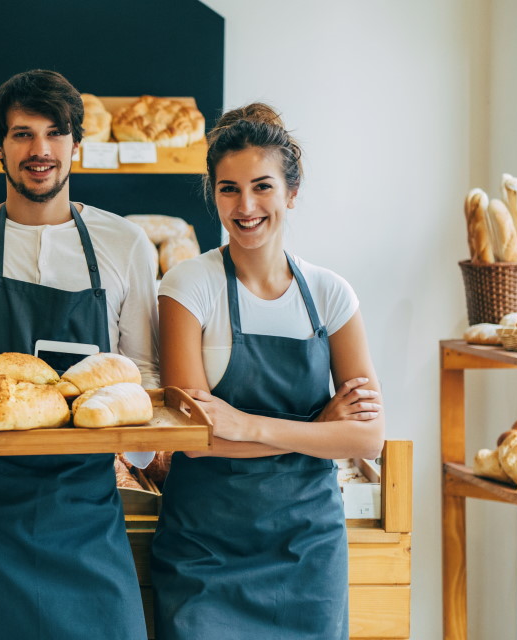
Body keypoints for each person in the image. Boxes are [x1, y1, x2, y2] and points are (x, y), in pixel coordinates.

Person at [0, 69, 160, 640]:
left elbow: (142, 374)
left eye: (55, 133)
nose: (39, 150)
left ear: (77, 144)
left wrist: (140, 446)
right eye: (22, 134)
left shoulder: (126, 245)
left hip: (88, 515)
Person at [149, 103, 385, 639]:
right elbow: (194, 441)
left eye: (262, 186)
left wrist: (245, 424)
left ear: (291, 194)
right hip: (205, 550)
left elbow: (369, 435)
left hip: (308, 552)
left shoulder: (330, 294)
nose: (246, 205)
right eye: (228, 188)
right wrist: (321, 429)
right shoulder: (187, 288)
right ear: (213, 194)